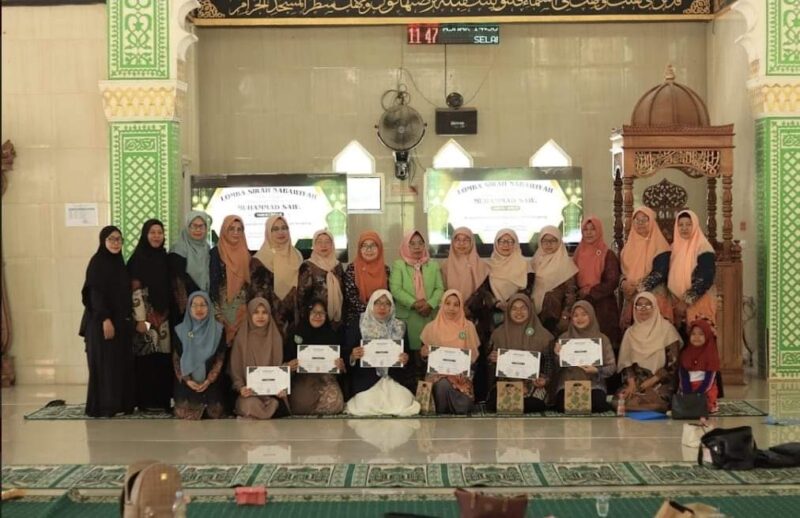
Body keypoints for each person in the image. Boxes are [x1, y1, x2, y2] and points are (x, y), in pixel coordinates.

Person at [462, 229, 532, 401]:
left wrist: (512, 303)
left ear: (516, 244)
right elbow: (483, 291)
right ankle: (491, 393)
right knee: (491, 355)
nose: (506, 245)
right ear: (496, 244)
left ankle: (520, 392)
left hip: (518, 315)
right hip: (491, 319)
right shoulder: (488, 266)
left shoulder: (525, 265)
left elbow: (529, 289)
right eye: (502, 241)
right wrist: (496, 303)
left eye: (510, 241)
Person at [79, 226, 135, 417]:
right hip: (101, 322)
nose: (115, 243)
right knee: (104, 366)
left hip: (119, 322)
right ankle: (104, 406)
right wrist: (105, 319)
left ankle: (118, 404)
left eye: (119, 239)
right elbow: (95, 294)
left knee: (116, 364)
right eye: (111, 239)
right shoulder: (98, 263)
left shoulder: (119, 263)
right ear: (103, 241)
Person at [345, 290, 419, 416]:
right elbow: (346, 352)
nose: (382, 307)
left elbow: (408, 355)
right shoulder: (359, 324)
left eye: (386, 303)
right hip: (367, 379)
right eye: (378, 303)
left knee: (402, 403)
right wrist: (353, 356)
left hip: (393, 378)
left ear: (392, 307)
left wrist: (406, 358)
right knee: (366, 405)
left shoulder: (400, 326)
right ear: (371, 305)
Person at [127, 219, 172, 412]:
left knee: (163, 357)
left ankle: (162, 400)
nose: (156, 236)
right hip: (144, 318)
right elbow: (134, 292)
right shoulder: (137, 260)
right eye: (152, 232)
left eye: (160, 232)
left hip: (165, 318)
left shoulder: (165, 258)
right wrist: (140, 319)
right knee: (146, 358)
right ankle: (145, 401)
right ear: (145, 235)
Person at [486, 294, 555, 413]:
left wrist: (544, 379)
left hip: (532, 384)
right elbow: (489, 368)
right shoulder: (498, 334)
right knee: (494, 401)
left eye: (523, 308)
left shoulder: (543, 335)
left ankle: (510, 404)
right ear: (508, 311)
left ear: (530, 310)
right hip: (506, 382)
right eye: (514, 308)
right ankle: (514, 403)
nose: (519, 312)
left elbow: (549, 363)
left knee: (536, 403)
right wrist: (492, 360)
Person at [390, 230, 444, 378]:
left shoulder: (433, 265)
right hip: (408, 319)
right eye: (412, 244)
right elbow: (395, 289)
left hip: (429, 317)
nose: (417, 247)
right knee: (410, 362)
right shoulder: (399, 265)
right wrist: (415, 303)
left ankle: (427, 389)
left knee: (429, 357)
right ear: (405, 246)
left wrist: (430, 304)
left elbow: (440, 288)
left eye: (420, 243)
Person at [616, 292, 682, 413]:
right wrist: (631, 383)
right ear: (634, 308)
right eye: (639, 305)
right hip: (638, 380)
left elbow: (672, 365)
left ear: (655, 307)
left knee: (658, 402)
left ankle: (641, 405)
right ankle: (639, 404)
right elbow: (626, 363)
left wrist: (652, 381)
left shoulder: (667, 329)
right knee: (619, 400)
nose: (643, 309)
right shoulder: (630, 333)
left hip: (660, 381)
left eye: (648, 305)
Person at [420, 289, 480, 415]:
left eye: (456, 304)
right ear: (442, 304)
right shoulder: (431, 327)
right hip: (437, 375)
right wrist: (424, 354)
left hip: (461, 377)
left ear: (461, 307)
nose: (451, 308)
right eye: (447, 303)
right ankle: (442, 414)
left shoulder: (468, 327)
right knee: (443, 385)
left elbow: (474, 357)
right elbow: (423, 357)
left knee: (464, 406)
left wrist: (462, 366)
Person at [229, 297, 292, 419]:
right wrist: (241, 388)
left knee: (274, 403)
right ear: (250, 315)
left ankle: (264, 411)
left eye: (264, 312)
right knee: (249, 404)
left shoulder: (276, 338)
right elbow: (235, 370)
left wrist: (281, 387)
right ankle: (266, 412)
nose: (260, 316)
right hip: (249, 394)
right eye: (256, 312)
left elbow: (279, 369)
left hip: (272, 394)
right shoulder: (241, 339)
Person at [553, 301, 616, 413]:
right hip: (569, 383)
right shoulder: (564, 338)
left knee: (597, 403)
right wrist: (558, 355)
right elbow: (556, 368)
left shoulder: (602, 339)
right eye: (576, 315)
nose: (580, 318)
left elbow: (611, 367)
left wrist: (597, 370)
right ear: (571, 318)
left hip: (594, 384)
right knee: (562, 404)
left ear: (591, 315)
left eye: (584, 314)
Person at [172, 291, 227, 420]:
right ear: (189, 308)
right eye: (194, 305)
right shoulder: (180, 330)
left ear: (209, 307)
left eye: (203, 305)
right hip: (188, 381)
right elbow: (176, 359)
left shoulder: (218, 330)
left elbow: (220, 358)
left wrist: (208, 380)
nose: (199, 309)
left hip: (210, 381)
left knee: (215, 411)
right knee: (183, 411)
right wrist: (188, 380)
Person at [285, 300, 345, 415]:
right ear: (308, 314)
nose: (318, 316)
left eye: (321, 313)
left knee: (335, 404)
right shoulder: (297, 334)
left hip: (325, 377)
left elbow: (340, 369)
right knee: (301, 405)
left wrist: (340, 366)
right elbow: (286, 360)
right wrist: (290, 365)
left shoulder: (331, 335)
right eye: (314, 312)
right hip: (303, 378)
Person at [619, 207, 672, 329]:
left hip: (654, 297)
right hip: (630, 297)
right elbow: (621, 272)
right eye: (637, 220)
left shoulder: (660, 245)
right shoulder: (628, 247)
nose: (640, 223)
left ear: (652, 221)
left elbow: (659, 273)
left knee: (655, 334)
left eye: (644, 220)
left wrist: (637, 288)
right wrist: (623, 283)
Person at [573, 216, 622, 349]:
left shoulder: (608, 254)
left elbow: (612, 281)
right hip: (582, 302)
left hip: (603, 304)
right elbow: (572, 278)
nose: (589, 233)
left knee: (603, 343)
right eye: (585, 229)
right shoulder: (578, 253)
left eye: (593, 229)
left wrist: (591, 292)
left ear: (599, 231)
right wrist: (578, 293)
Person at [251, 215, 302, 335]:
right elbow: (257, 296)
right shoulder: (259, 260)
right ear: (268, 232)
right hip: (269, 319)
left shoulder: (297, 255)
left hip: (295, 319)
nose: (281, 232)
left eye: (284, 228)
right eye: (275, 229)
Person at [668, 209, 717, 329]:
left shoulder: (704, 247)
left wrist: (685, 301)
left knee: (698, 335)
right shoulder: (673, 248)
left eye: (688, 224)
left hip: (699, 302)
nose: (684, 228)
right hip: (675, 304)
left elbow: (705, 278)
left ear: (695, 225)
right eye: (681, 225)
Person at [342, 231, 390, 349]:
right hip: (357, 321)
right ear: (359, 249)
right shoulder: (352, 269)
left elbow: (389, 296)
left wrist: (378, 312)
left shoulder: (386, 270)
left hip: (383, 320)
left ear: (379, 248)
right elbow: (351, 297)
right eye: (364, 246)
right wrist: (371, 312)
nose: (369, 249)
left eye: (373, 245)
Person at [209, 215, 253, 345]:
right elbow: (212, 285)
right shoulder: (215, 253)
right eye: (231, 229)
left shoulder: (247, 254)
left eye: (239, 229)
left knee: (241, 349)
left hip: (243, 312)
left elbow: (249, 286)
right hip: (221, 312)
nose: (236, 232)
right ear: (224, 230)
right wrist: (218, 315)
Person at [531, 226, 578, 337]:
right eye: (545, 241)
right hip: (535, 314)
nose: (548, 244)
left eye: (553, 240)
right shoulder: (534, 262)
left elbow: (571, 294)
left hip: (556, 315)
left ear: (559, 242)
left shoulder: (566, 264)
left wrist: (565, 316)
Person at [169, 211, 211, 325]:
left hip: (204, 304)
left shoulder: (207, 248)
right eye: (194, 226)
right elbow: (178, 282)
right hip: (184, 306)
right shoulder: (178, 250)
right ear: (187, 227)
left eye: (201, 226)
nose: (198, 230)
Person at [296, 230, 345, 328]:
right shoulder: (308, 266)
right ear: (314, 245)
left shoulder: (337, 265)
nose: (324, 245)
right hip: (316, 319)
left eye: (327, 242)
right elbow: (301, 297)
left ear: (332, 244)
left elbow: (343, 291)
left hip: (336, 321)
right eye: (319, 242)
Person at [678, 318, 720, 414]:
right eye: (693, 334)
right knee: (683, 401)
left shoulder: (711, 354)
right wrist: (687, 391)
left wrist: (699, 392)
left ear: (707, 336)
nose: (696, 337)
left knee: (706, 403)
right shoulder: (685, 353)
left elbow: (710, 379)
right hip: (688, 386)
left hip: (705, 387)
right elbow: (683, 374)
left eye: (701, 334)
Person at [441, 227, 490, 306]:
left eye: (466, 240)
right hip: (451, 309)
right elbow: (442, 291)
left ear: (472, 242)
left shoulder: (482, 266)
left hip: (476, 309)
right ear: (452, 242)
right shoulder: (445, 266)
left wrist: (469, 307)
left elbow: (484, 293)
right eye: (458, 240)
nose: (461, 243)